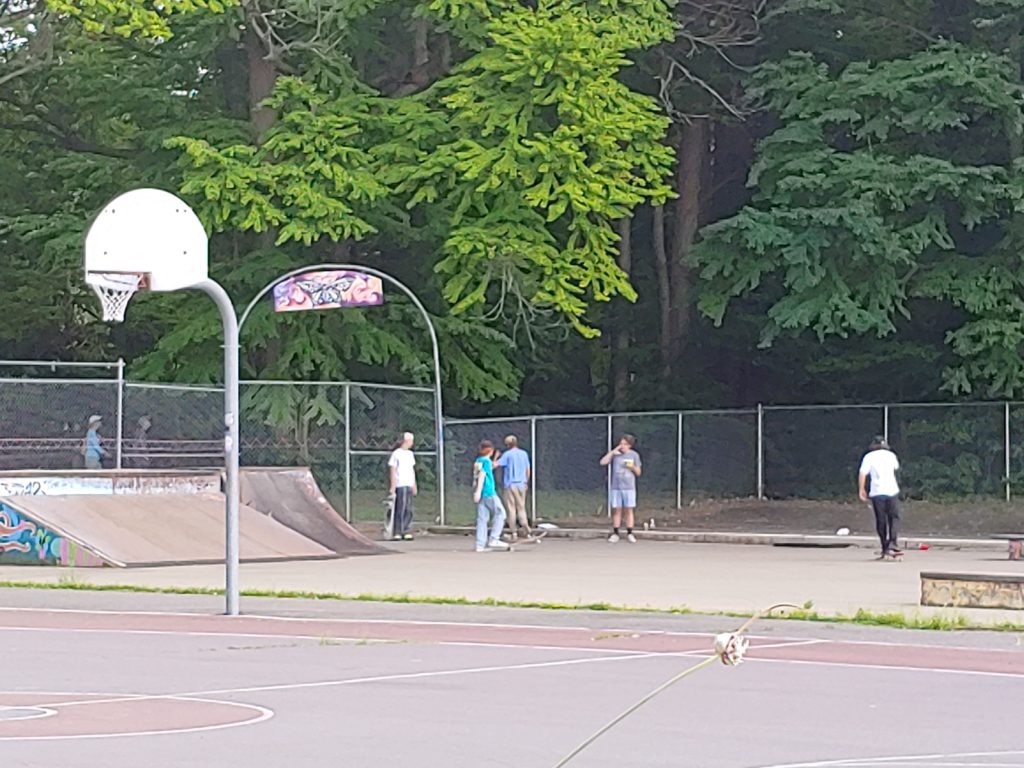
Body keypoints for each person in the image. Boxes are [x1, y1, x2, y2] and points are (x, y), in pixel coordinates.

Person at [858, 435, 901, 559]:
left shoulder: (869, 457)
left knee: (881, 520)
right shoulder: (891, 455)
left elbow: (862, 474)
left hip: (877, 492)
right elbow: (896, 469)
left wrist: (861, 489)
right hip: (892, 490)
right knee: (894, 517)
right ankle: (893, 542)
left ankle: (884, 546)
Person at [600, 434, 642, 543]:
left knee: (629, 510)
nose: (622, 446)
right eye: (621, 443)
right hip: (616, 487)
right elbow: (603, 462)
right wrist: (613, 452)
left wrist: (631, 467)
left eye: (625, 444)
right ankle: (615, 533)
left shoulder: (634, 455)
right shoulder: (616, 454)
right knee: (617, 510)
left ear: (630, 446)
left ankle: (630, 533)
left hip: (629, 487)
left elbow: (638, 472)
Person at [495, 434, 533, 541]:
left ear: (507, 445)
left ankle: (514, 533)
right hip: (522, 484)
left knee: (511, 509)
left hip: (510, 485)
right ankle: (526, 529)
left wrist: (496, 456)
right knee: (521, 507)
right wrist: (526, 482)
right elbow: (527, 469)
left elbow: (495, 465)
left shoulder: (507, 455)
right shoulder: (524, 454)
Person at [473, 440, 510, 552]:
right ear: (490, 450)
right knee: (501, 513)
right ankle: (494, 538)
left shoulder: (479, 461)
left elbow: (480, 474)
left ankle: (480, 544)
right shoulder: (486, 462)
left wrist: (475, 491)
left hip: (481, 494)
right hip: (488, 492)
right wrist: (479, 491)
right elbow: (482, 475)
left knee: (482, 519)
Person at [388, 432, 417, 541]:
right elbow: (393, 470)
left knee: (408, 508)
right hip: (400, 484)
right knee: (400, 507)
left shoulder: (410, 454)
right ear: (407, 441)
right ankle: (397, 531)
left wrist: (414, 484)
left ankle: (406, 530)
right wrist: (393, 486)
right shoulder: (396, 454)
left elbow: (412, 470)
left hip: (409, 483)